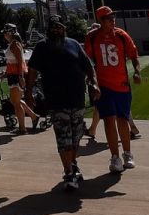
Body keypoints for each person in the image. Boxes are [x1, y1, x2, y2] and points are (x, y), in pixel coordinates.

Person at [26, 16, 100, 192]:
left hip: (77, 98)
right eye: (53, 27)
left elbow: (88, 65)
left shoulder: (74, 44)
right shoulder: (42, 47)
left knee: (76, 136)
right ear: (48, 29)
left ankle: (73, 163)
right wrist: (28, 91)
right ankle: (68, 172)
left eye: (59, 27)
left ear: (64, 28)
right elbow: (33, 70)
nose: (56, 30)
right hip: (56, 100)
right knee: (63, 138)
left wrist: (94, 82)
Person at [86, 5, 141, 173]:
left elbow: (134, 55)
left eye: (113, 16)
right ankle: (115, 157)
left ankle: (127, 153)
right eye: (109, 17)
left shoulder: (122, 35)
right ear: (101, 21)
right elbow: (86, 60)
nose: (112, 19)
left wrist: (137, 72)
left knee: (123, 120)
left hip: (122, 85)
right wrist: (91, 81)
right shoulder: (92, 37)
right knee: (109, 121)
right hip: (103, 86)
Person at [2, 24, 35, 134]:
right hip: (13, 74)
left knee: (15, 102)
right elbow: (12, 62)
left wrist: (21, 77)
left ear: (10, 33)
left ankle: (22, 128)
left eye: (5, 32)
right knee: (14, 100)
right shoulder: (12, 44)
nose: (4, 35)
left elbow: (20, 61)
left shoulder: (15, 44)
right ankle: (33, 116)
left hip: (16, 75)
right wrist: (6, 73)